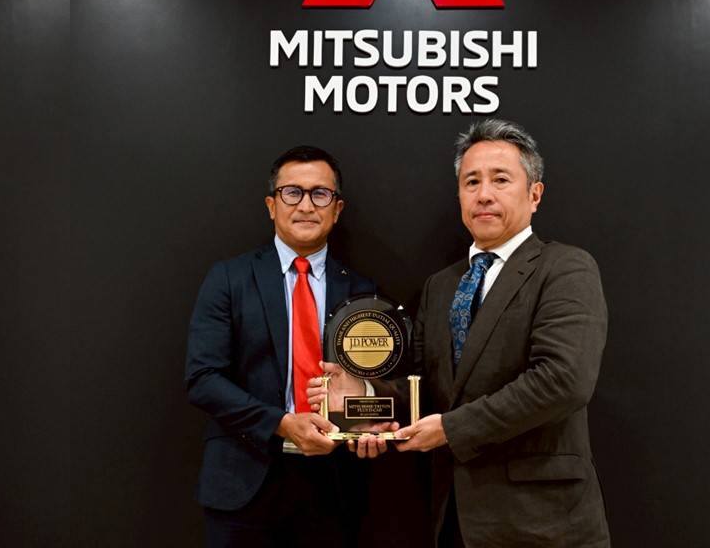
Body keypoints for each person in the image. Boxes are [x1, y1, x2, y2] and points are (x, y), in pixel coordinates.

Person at [394, 118, 610, 547]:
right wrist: (361, 398)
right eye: (471, 181)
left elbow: (563, 380)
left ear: (535, 194)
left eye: (500, 179)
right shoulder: (441, 285)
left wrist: (452, 429)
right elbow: (422, 387)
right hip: (453, 521)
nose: (484, 194)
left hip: (544, 524)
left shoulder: (566, 268)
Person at [185, 146, 392, 548]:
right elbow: (203, 379)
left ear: (337, 209)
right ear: (271, 205)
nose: (306, 206)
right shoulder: (228, 279)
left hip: (333, 486)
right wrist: (281, 423)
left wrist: (368, 417)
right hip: (243, 482)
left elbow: (378, 383)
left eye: (320, 194)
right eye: (292, 192)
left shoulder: (363, 290)